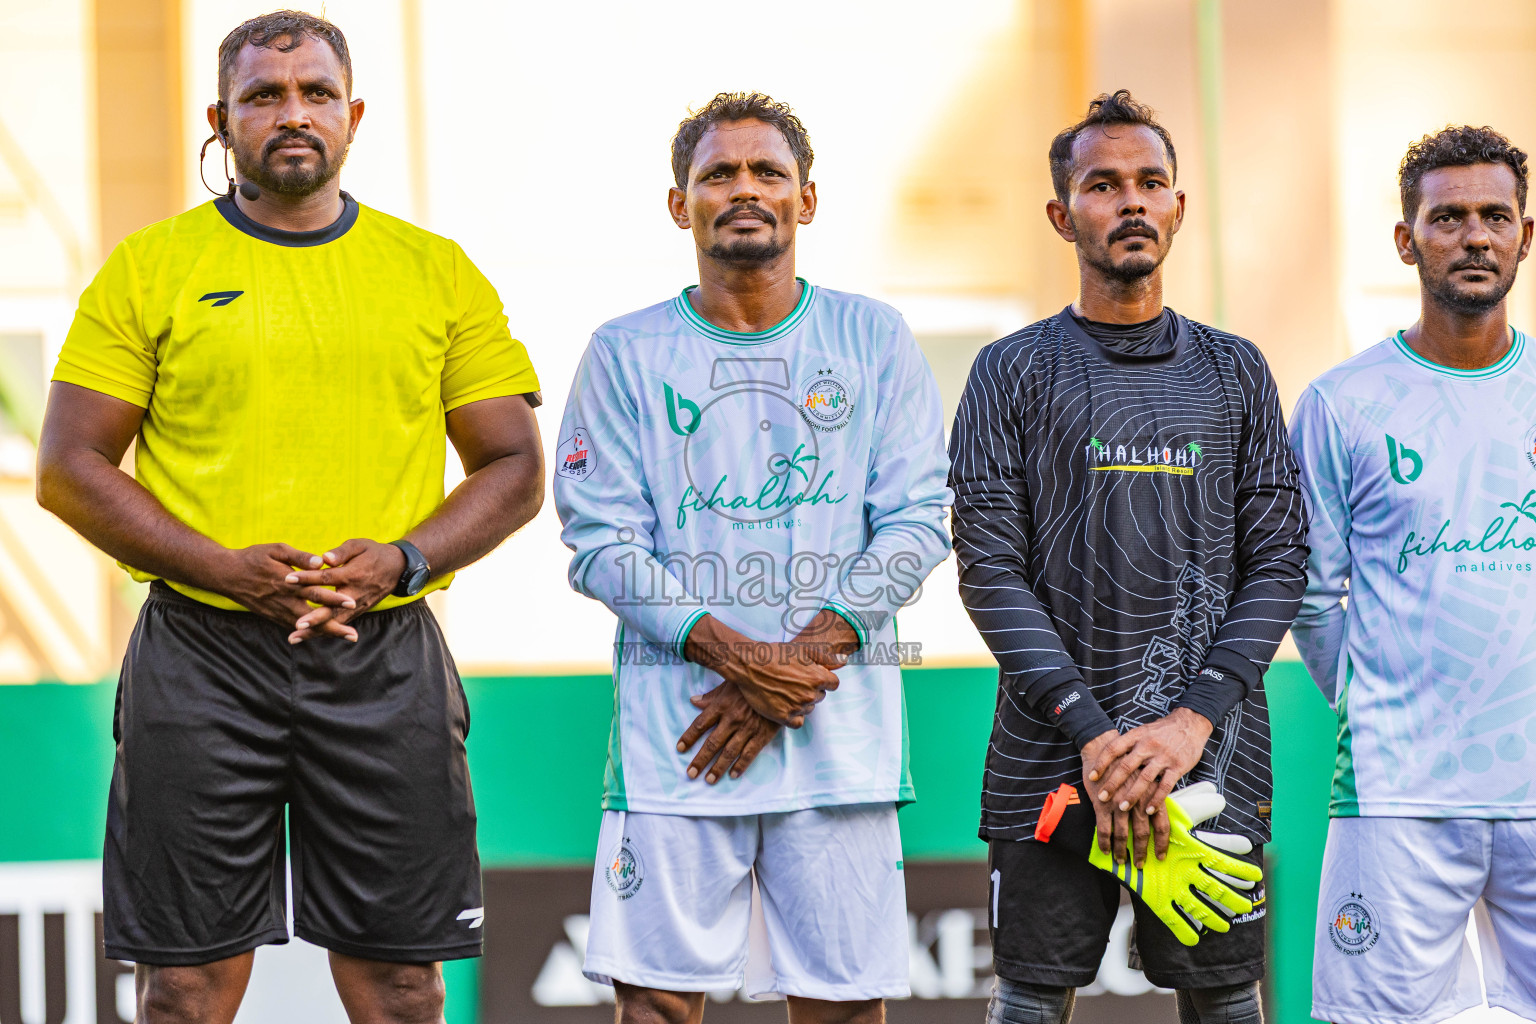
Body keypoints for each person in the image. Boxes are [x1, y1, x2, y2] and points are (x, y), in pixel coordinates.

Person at [35, 11, 543, 1023]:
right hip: (201, 652)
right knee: (182, 986)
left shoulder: (433, 270)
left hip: (385, 649)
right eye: (265, 95)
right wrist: (224, 569)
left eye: (315, 93)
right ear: (221, 118)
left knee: (401, 983)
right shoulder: (150, 267)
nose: (292, 113)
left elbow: (515, 466)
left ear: (353, 116)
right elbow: (68, 466)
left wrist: (399, 559)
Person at [552, 91, 952, 1024]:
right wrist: (739, 657)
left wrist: (797, 662)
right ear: (678, 204)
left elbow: (917, 521)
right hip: (678, 739)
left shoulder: (873, 337)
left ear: (806, 200)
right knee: (655, 1007)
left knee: (843, 1008)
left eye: (768, 172)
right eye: (717, 174)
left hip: (838, 739)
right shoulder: (624, 352)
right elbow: (599, 541)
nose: (744, 189)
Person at [948, 90, 1308, 1024]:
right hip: (1052, 764)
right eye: (1104, 185)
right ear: (1063, 215)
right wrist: (1095, 735)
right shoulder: (1009, 371)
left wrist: (1188, 725)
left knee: (1228, 1004)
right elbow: (988, 569)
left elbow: (1279, 565)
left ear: (1180, 207)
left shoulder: (1236, 370)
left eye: (1152, 182)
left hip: (1213, 762)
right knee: (1029, 1001)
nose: (1133, 202)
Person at [1291, 125, 1536, 1024]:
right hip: (1397, 793)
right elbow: (1313, 595)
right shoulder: (1341, 404)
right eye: (1449, 217)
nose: (1475, 235)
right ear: (1406, 240)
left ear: (1524, 236)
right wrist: (1379, 701)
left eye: (1495, 216)